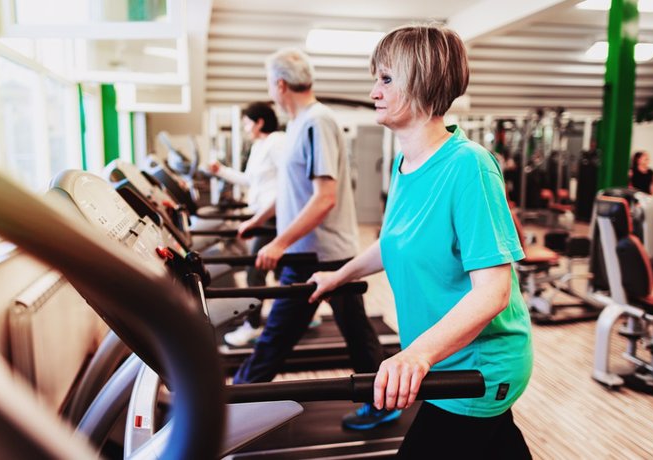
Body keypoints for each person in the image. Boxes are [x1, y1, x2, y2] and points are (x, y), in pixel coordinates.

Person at [308, 24, 533, 458]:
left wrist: (417, 356)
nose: (374, 90)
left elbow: (494, 293)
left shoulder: (469, 167)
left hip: (475, 367)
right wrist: (338, 277)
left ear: (423, 82)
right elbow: (392, 241)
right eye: (376, 78)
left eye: (386, 79)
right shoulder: (402, 163)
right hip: (442, 360)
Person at [233, 48, 396, 429]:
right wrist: (259, 221)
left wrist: (277, 243)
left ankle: (235, 397)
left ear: (280, 84)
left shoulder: (317, 122)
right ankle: (382, 398)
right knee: (353, 331)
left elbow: (325, 197)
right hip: (311, 252)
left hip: (322, 256)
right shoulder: (298, 124)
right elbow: (292, 191)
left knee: (280, 334)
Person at [207, 101, 284, 347]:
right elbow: (250, 181)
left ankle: (253, 326)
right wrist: (221, 170)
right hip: (264, 216)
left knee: (255, 272)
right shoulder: (259, 146)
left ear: (260, 122)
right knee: (280, 271)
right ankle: (294, 314)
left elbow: (288, 183)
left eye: (247, 122)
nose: (245, 127)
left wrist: (257, 219)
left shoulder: (276, 141)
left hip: (275, 217)